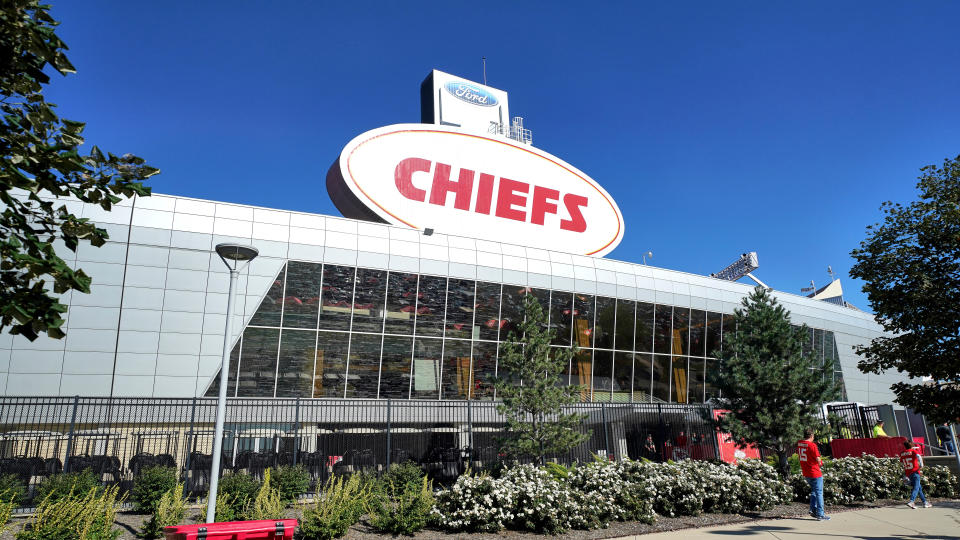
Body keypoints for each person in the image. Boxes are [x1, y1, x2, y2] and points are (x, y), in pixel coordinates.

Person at [798, 427, 830, 520]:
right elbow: (818, 460)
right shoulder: (812, 446)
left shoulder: (800, 444)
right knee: (819, 492)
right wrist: (821, 464)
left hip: (806, 471)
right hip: (814, 472)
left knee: (814, 491)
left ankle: (813, 509)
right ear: (811, 435)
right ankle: (820, 514)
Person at [900, 440, 932, 509]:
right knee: (916, 487)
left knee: (919, 488)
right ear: (911, 445)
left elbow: (902, 462)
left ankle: (925, 502)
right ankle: (911, 501)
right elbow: (919, 457)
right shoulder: (913, 451)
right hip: (915, 471)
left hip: (908, 472)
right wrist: (921, 466)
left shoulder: (902, 453)